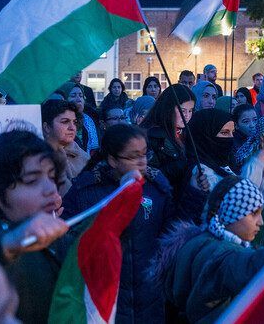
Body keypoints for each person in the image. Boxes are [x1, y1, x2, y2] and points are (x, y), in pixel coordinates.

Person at [62, 124, 208, 324]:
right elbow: (67, 238)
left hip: (148, 294)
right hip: (103, 295)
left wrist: (194, 192)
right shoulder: (87, 190)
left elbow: (172, 233)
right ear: (113, 160)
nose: (142, 162)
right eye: (133, 156)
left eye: (144, 154)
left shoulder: (156, 186)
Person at [153, 176, 264, 323]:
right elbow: (242, 265)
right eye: (254, 213)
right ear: (230, 213)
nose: (261, 222)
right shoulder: (218, 253)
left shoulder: (201, 243)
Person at [0, 130, 70, 324]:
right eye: (32, 180)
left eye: (52, 177)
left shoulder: (58, 241)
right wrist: (9, 243)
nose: (50, 189)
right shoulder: (6, 245)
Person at [142, 84, 196, 197]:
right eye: (182, 110)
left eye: (190, 111)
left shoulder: (188, 133)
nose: (186, 116)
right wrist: (182, 165)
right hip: (161, 197)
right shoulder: (151, 136)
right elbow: (149, 174)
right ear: (169, 108)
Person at [41, 99, 89, 194]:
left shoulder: (84, 157)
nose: (72, 127)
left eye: (74, 122)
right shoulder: (34, 158)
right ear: (46, 127)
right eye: (65, 121)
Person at [185, 109, 236, 190]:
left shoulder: (225, 160)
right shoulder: (202, 172)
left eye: (233, 132)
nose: (231, 137)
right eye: (224, 133)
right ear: (205, 135)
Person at [57, 81, 100, 155]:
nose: (78, 99)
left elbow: (94, 149)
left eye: (81, 96)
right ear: (64, 99)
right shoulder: (59, 121)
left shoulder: (89, 120)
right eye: (73, 96)